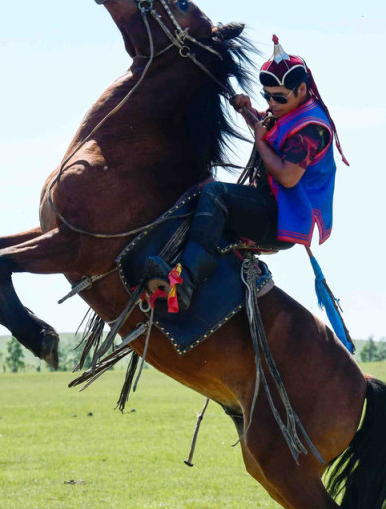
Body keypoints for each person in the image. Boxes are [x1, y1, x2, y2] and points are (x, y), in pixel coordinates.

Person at [146, 36, 348, 313]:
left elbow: (288, 176)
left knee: (215, 194)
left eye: (278, 97)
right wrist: (248, 110)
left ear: (302, 89)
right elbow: (267, 126)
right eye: (267, 95)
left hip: (282, 219)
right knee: (202, 184)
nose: (272, 103)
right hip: (271, 206)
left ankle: (187, 281)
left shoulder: (311, 129)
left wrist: (260, 141)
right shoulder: (289, 110)